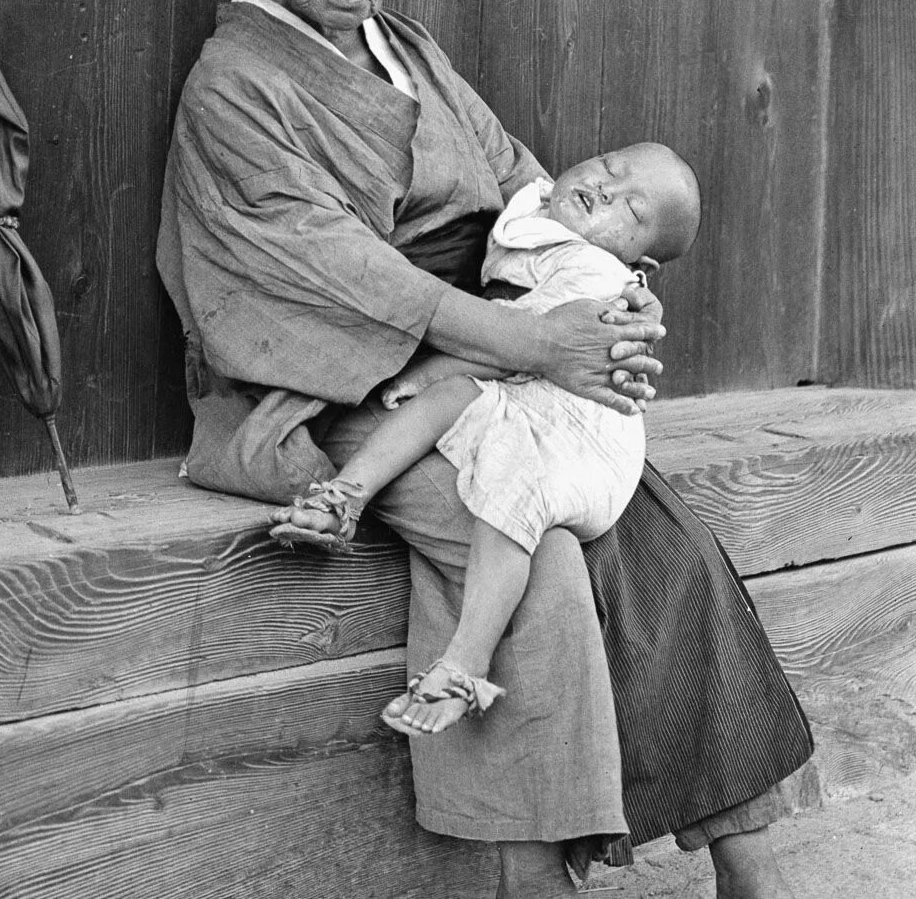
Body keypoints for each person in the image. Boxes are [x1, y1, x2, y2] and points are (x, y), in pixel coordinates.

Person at [157, 0, 812, 898]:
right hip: (344, 381)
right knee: (536, 562)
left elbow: (527, 185)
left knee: (660, 537)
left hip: (501, 353)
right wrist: (530, 340)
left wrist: (601, 310)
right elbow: (336, 270)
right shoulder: (236, 84)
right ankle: (521, 878)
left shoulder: (410, 51)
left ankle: (750, 863)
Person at [266, 142, 702, 742]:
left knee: (511, 495)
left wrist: (424, 370)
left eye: (631, 211)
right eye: (609, 167)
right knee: (448, 406)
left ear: (639, 264)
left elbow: (525, 343)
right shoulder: (536, 203)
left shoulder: (596, 273)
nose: (605, 190)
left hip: (578, 437)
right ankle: (343, 497)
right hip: (524, 393)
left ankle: (465, 662)